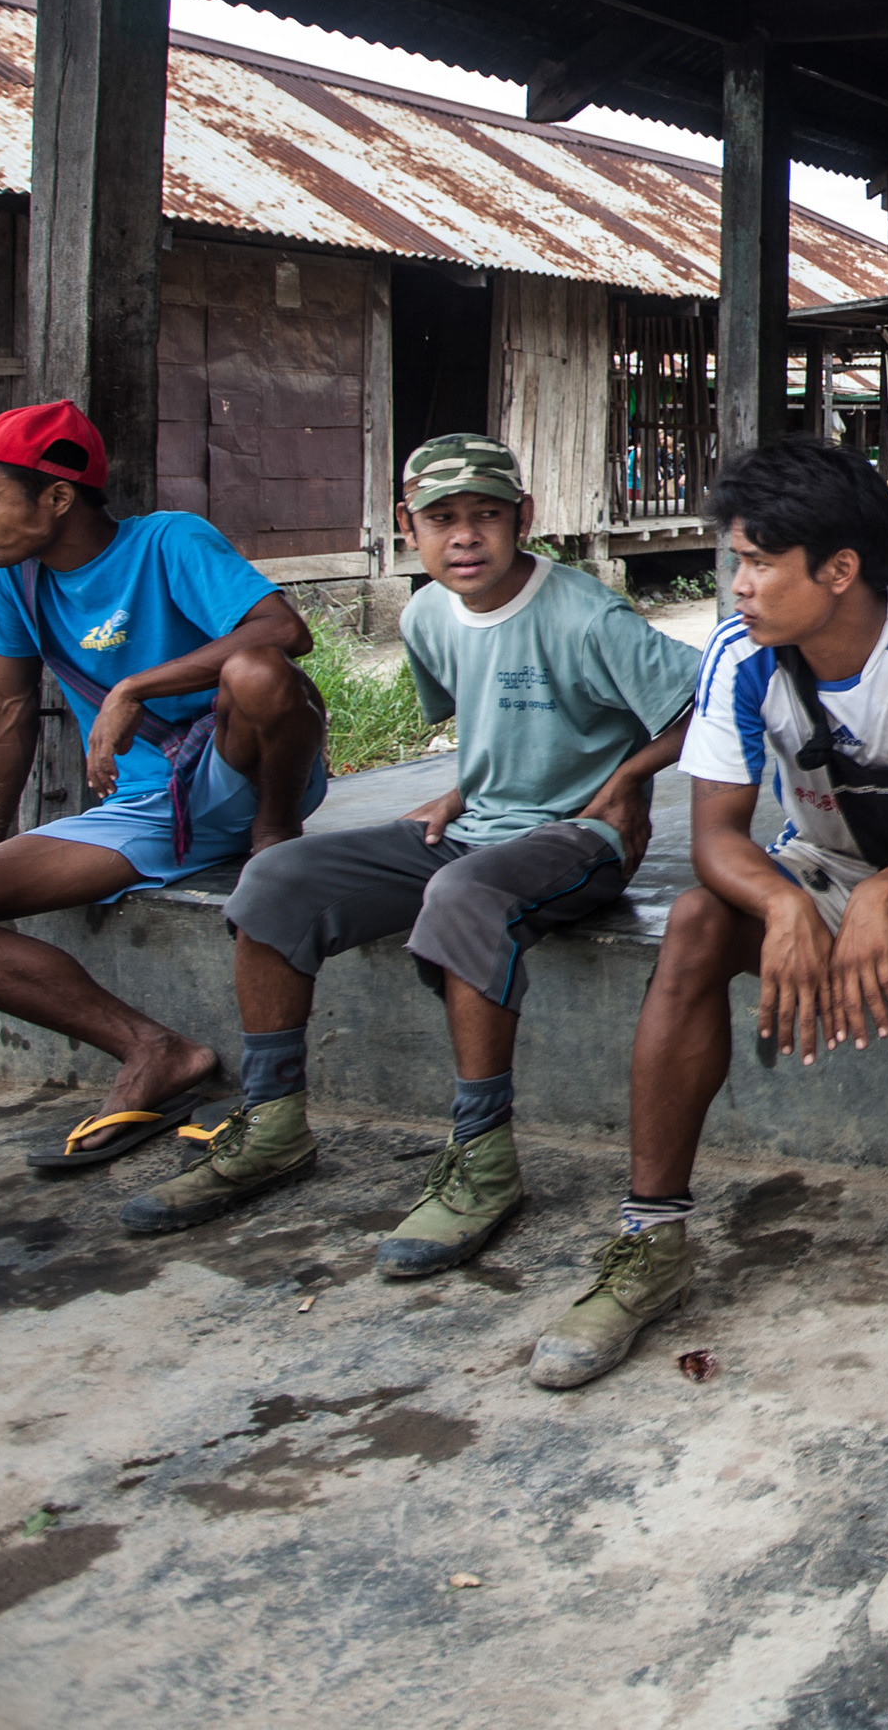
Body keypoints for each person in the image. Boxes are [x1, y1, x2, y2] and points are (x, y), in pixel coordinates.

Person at [528, 439, 888, 1388]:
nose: (738, 585)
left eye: (759, 562)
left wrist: (884, 894)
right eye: (737, 560)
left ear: (840, 570)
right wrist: (782, 904)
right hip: (820, 869)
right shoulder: (739, 653)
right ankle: (651, 1238)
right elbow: (715, 835)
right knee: (696, 920)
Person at [127, 435, 700, 1268]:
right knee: (276, 878)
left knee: (465, 896)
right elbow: (498, 723)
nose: (464, 536)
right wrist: (463, 789)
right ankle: (274, 1123)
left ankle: (482, 1159)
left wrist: (629, 780)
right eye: (441, 519)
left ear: (524, 518)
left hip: (580, 838)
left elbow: (708, 696)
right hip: (474, 830)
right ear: (409, 527)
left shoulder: (586, 613)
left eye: (486, 515)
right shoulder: (427, 615)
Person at [0, 401, 331, 1172]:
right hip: (143, 809)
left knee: (256, 670)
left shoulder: (168, 540)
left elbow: (283, 631)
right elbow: (6, 706)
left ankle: (273, 840)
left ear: (56, 497)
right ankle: (152, 1050)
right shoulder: (12, 576)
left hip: (241, 768)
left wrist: (133, 688)